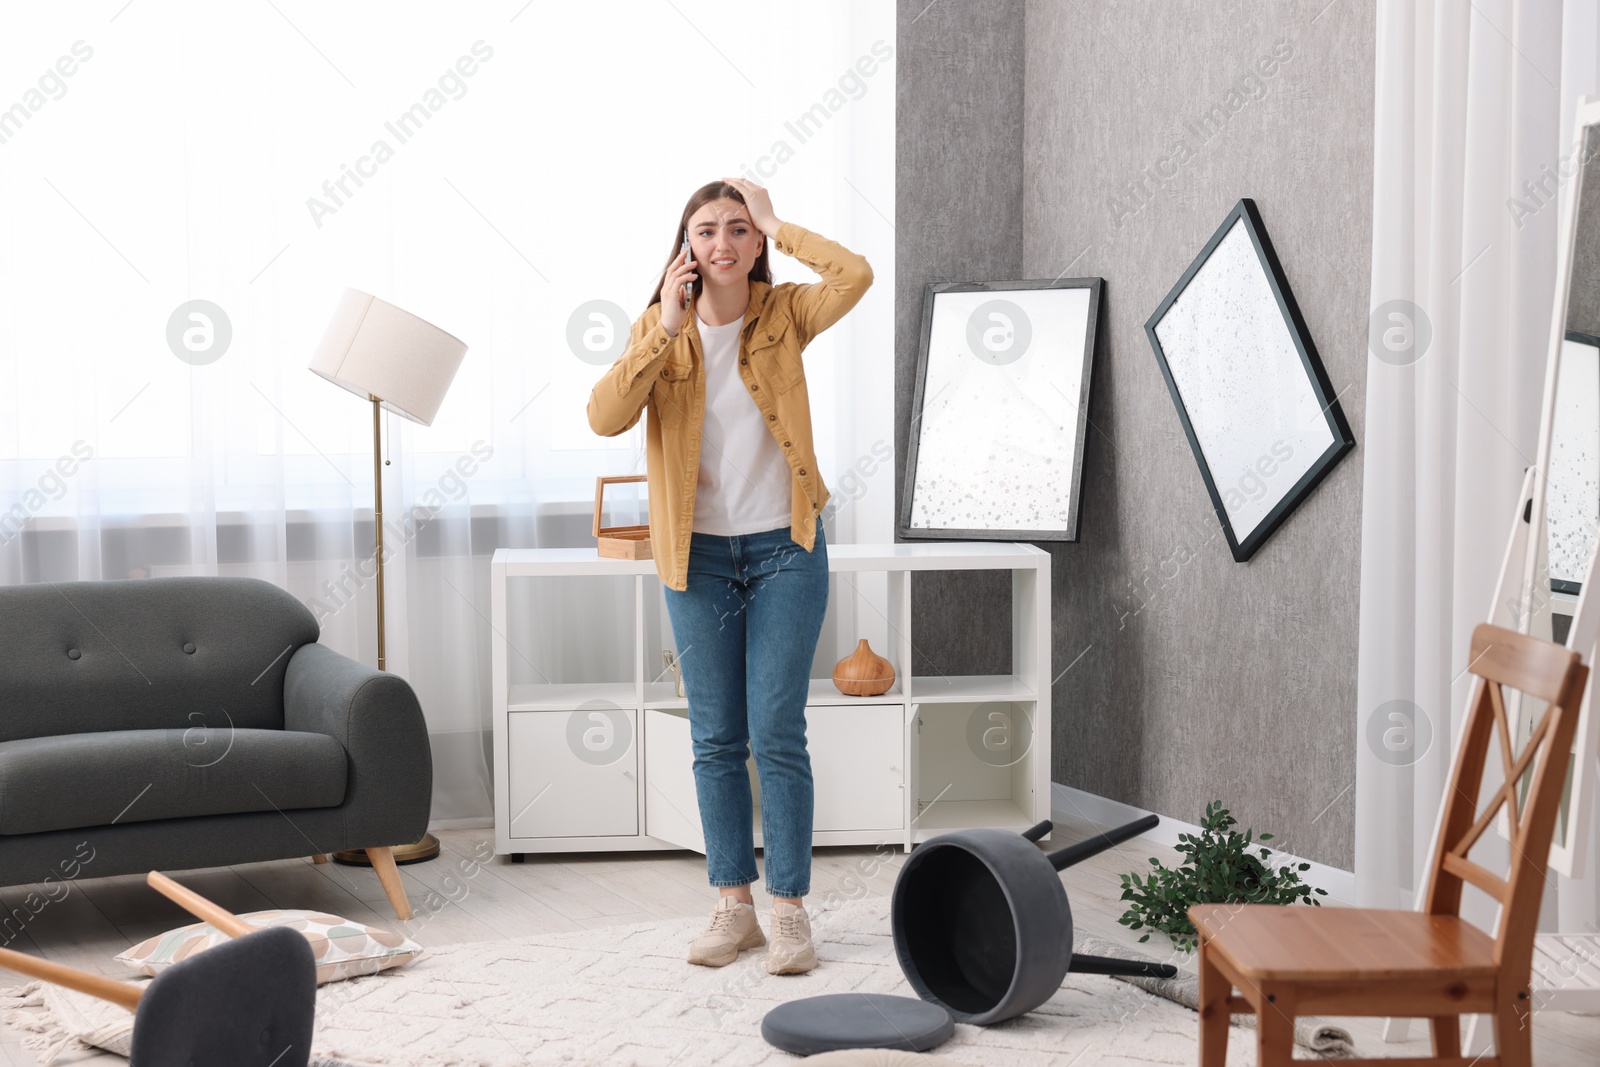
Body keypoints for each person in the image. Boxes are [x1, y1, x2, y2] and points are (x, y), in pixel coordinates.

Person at [587, 178, 873, 974]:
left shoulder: (784, 316)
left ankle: (788, 910)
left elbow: (854, 276)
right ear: (685, 247)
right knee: (716, 737)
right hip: (698, 555)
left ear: (755, 246)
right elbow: (604, 415)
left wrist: (783, 221)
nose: (722, 242)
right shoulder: (662, 328)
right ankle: (732, 904)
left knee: (776, 730)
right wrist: (665, 326)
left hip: (788, 545)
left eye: (739, 229)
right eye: (706, 229)